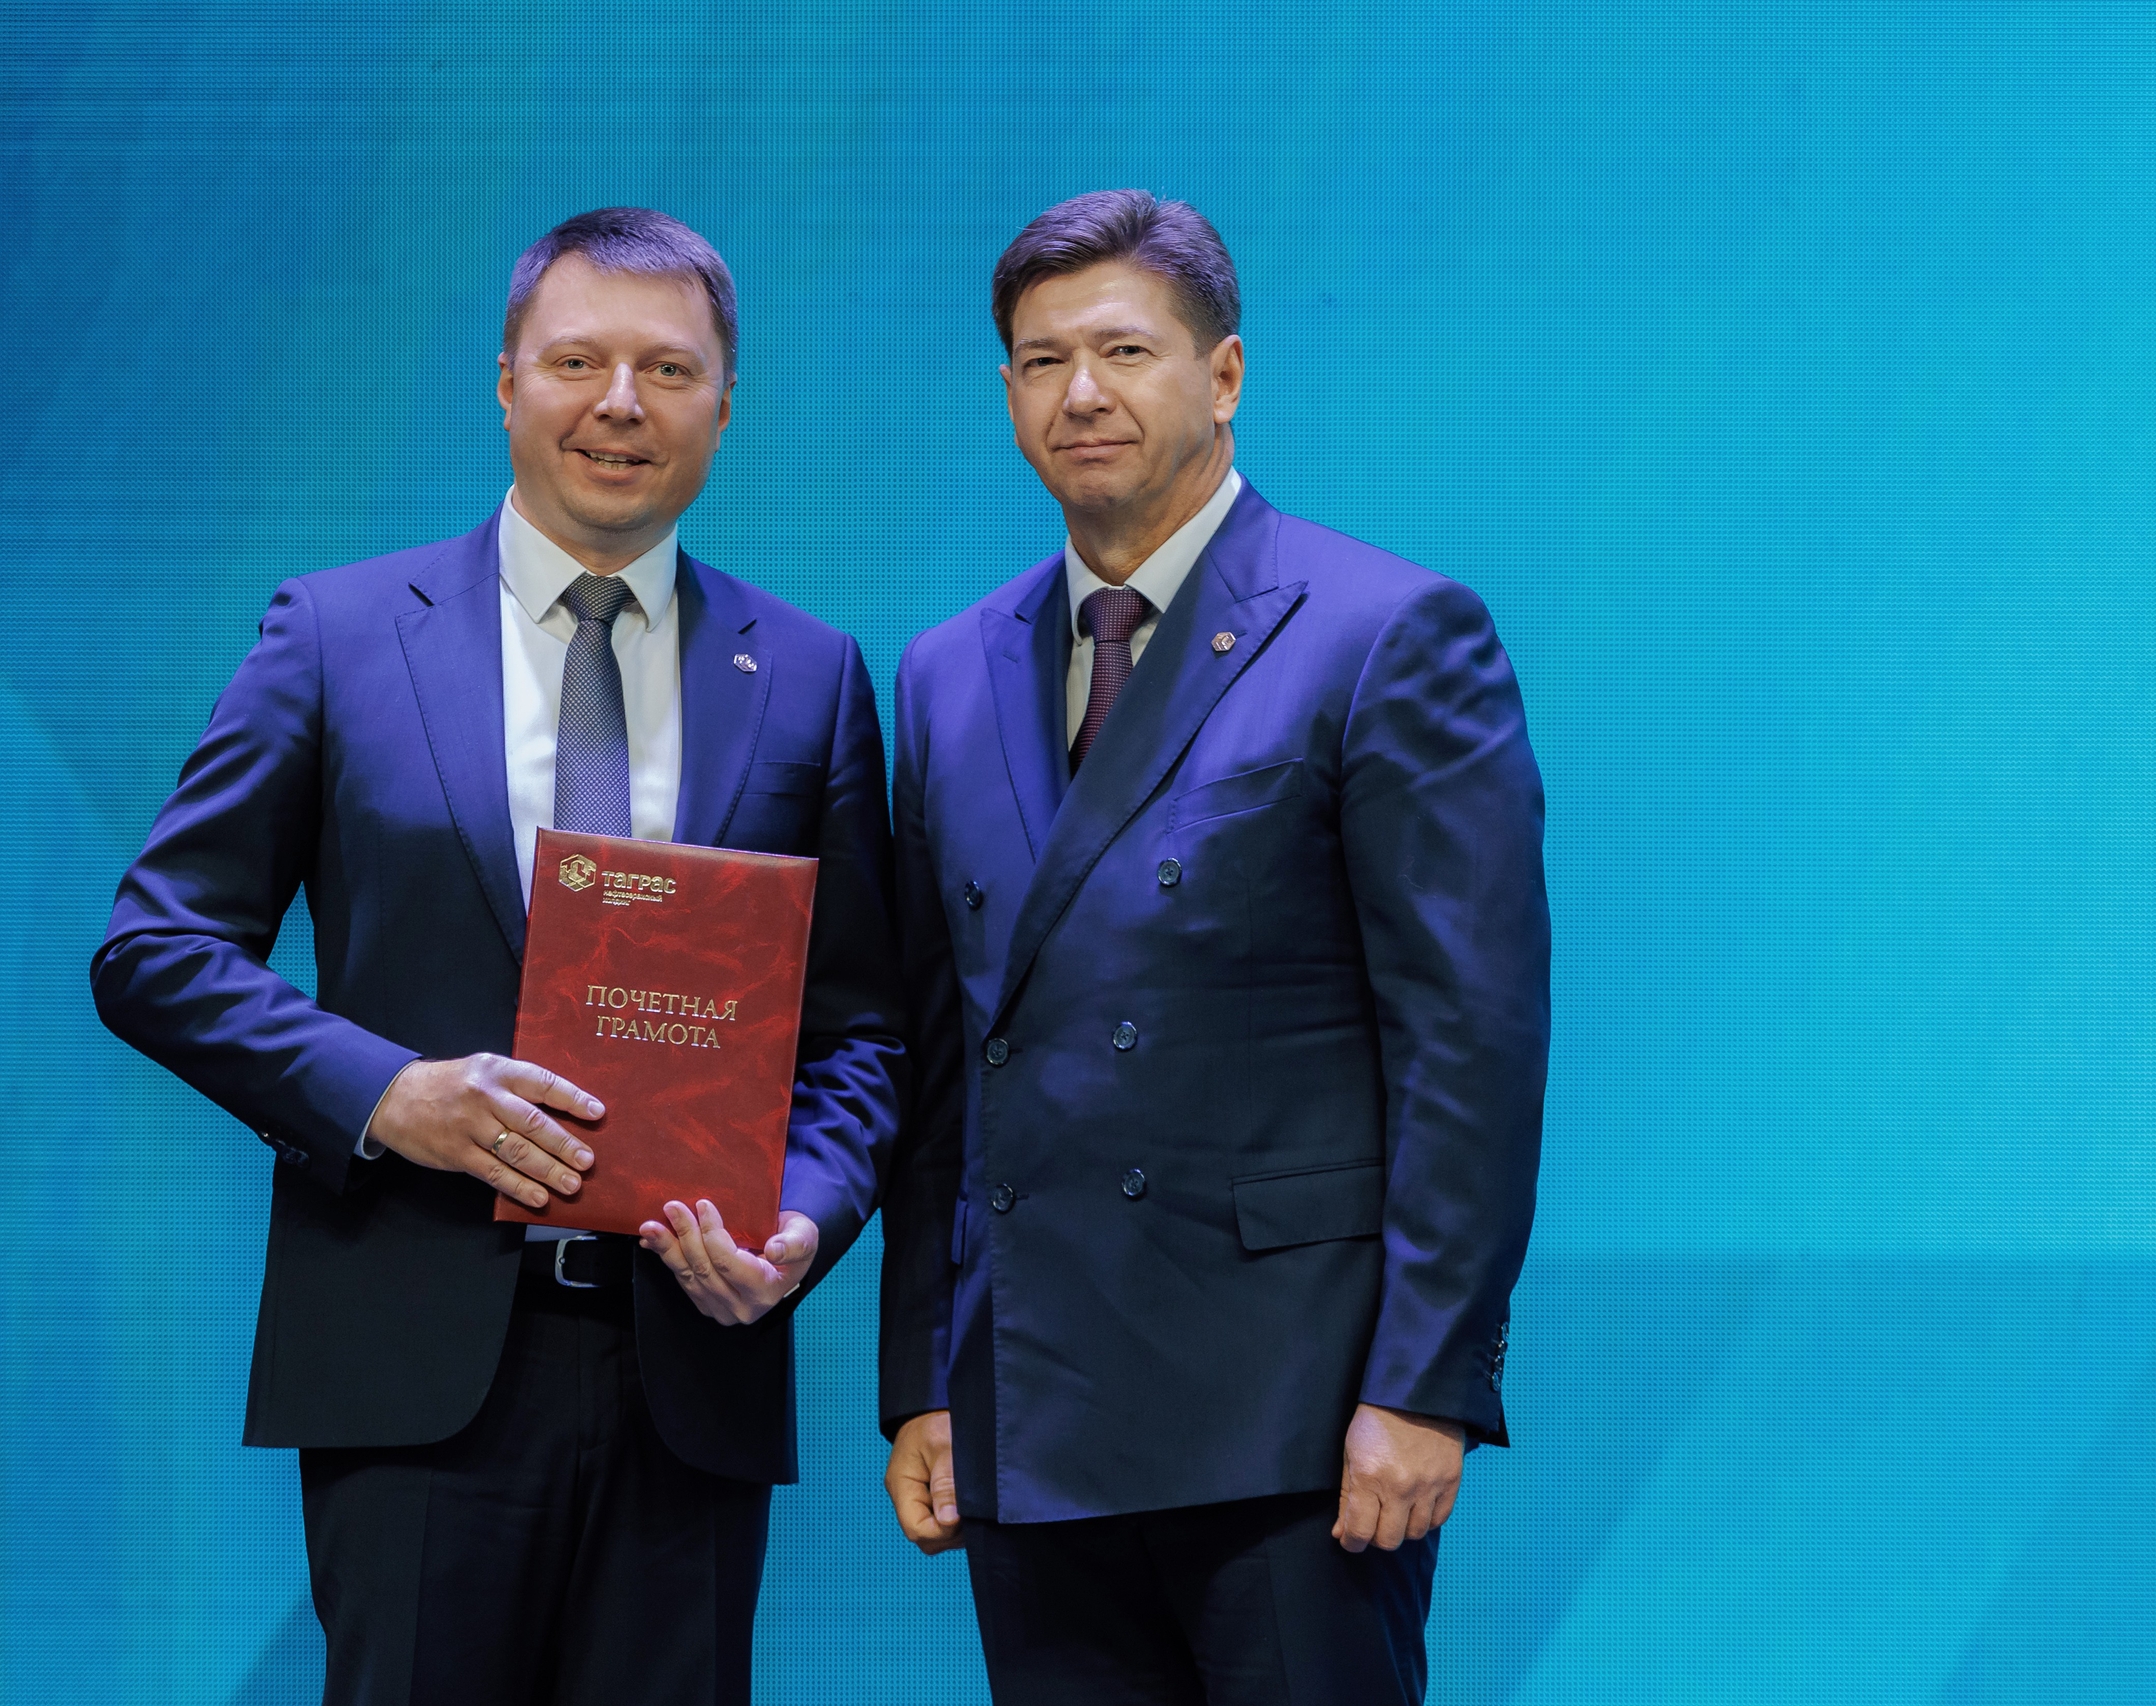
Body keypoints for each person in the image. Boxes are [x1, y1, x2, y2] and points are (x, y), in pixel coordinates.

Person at [93, 207, 903, 1706]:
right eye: (578, 361)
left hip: (690, 1367)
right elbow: (155, 947)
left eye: (669, 369)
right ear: (507, 383)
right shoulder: (337, 635)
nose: (621, 404)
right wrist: (385, 1094)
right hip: (410, 1357)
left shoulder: (807, 675)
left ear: (726, 404)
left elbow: (861, 1031)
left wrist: (805, 1212)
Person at [879, 190, 1549, 1704]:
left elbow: (1470, 1047)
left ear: (1224, 372)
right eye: (1042, 361)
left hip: (1295, 1418)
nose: (1082, 393)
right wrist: (924, 1376)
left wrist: (1426, 1383)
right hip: (1030, 1405)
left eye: (1125, 350)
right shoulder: (943, 671)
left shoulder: (1385, 631)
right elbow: (942, 1060)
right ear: (1006, 393)